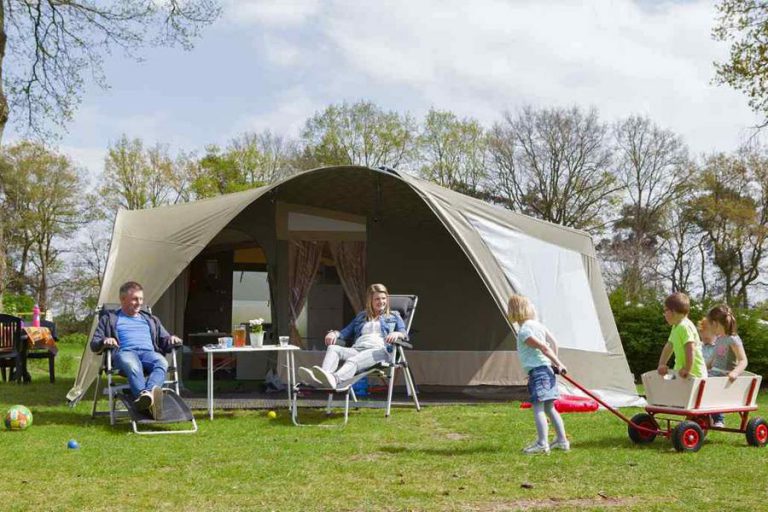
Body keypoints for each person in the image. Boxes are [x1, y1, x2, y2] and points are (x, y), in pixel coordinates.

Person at [90, 281, 182, 419]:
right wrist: (105, 341)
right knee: (132, 364)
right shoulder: (109, 319)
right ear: (122, 299)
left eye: (141, 299)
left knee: (162, 362)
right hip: (125, 353)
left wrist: (171, 339)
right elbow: (95, 343)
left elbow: (164, 338)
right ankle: (146, 398)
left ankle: (146, 397)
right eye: (134, 299)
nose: (139, 302)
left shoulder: (151, 319)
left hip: (148, 354)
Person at [298, 283, 407, 390]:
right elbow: (346, 332)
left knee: (353, 361)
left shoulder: (394, 315)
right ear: (370, 301)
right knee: (333, 348)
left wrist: (397, 333)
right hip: (357, 349)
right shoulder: (362, 316)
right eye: (377, 299)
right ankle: (323, 379)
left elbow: (404, 333)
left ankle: (335, 379)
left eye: (383, 298)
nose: (381, 302)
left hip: (379, 351)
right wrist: (334, 333)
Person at [508, 294, 569, 455]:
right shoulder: (538, 325)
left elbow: (544, 347)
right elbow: (553, 343)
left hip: (539, 372)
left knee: (538, 407)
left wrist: (558, 363)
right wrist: (553, 365)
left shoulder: (524, 331)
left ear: (514, 311)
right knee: (550, 407)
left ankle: (542, 444)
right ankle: (562, 441)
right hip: (545, 370)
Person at [706, 304, 749, 428]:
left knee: (711, 385)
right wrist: (702, 369)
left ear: (715, 324)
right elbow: (712, 359)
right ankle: (704, 415)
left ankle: (718, 419)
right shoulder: (719, 339)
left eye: (710, 324)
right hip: (714, 372)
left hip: (724, 375)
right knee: (699, 381)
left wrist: (735, 373)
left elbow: (743, 360)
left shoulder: (733, 339)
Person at [657, 292, 707, 380]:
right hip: (681, 372)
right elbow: (669, 346)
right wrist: (662, 364)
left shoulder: (684, 326)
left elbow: (690, 348)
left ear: (673, 311)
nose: (664, 314)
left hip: (694, 374)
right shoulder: (676, 327)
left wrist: (687, 369)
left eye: (665, 310)